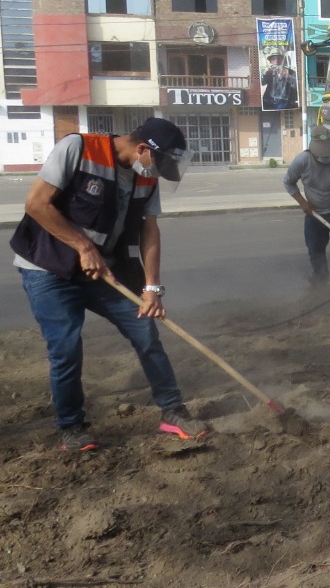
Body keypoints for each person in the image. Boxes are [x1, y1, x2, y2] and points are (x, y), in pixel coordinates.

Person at [9, 118, 207, 450]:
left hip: (103, 273)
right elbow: (36, 204)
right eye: (157, 164)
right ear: (142, 148)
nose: (157, 173)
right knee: (66, 347)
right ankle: (72, 427)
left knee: (146, 331)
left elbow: (149, 230)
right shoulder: (78, 149)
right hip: (48, 269)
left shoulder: (147, 177)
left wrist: (152, 287)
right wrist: (83, 247)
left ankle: (173, 412)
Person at [285, 124, 330, 285]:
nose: (326, 156)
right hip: (314, 214)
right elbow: (288, 182)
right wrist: (303, 203)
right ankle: (320, 282)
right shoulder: (302, 161)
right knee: (315, 250)